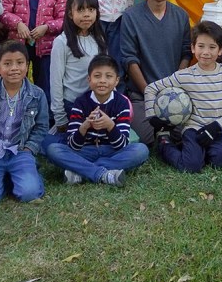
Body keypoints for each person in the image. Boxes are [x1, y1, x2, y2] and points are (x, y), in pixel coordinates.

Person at [146, 20, 222, 173]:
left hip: (217, 129)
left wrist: (216, 126)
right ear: (193, 48)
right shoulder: (184, 75)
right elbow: (151, 88)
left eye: (212, 47)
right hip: (193, 130)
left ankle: (200, 152)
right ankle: (165, 143)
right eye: (201, 46)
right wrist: (152, 116)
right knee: (191, 166)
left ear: (220, 50)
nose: (206, 52)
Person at [117, 0, 191, 146]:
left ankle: (166, 132)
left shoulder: (180, 15)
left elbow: (186, 53)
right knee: (147, 137)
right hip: (142, 95)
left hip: (175, 92)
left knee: (186, 132)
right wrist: (149, 92)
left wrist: (174, 87)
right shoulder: (131, 16)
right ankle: (161, 132)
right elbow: (129, 59)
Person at [44, 54, 149, 185]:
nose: (102, 81)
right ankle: (103, 174)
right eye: (97, 76)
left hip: (111, 151)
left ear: (116, 81)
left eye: (108, 76)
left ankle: (82, 171)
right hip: (85, 150)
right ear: (89, 79)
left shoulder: (121, 103)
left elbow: (121, 144)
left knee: (141, 150)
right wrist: (85, 126)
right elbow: (72, 144)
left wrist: (110, 125)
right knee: (53, 149)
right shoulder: (81, 103)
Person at [0, 40, 47, 206]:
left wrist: (29, 149)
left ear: (27, 66)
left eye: (20, 63)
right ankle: (3, 179)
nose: (14, 68)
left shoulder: (37, 94)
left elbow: (41, 126)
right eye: (7, 63)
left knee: (29, 194)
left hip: (20, 151)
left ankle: (28, 173)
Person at [1, 0, 65, 103]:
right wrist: (18, 24)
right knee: (16, 79)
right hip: (18, 43)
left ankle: (46, 116)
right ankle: (15, 109)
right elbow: (3, 11)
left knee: (44, 82)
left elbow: (63, 19)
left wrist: (47, 27)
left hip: (45, 46)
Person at [48, 0, 108, 131]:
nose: (86, 14)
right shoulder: (62, 42)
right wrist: (60, 115)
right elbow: (56, 81)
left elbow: (107, 71)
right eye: (80, 10)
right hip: (72, 104)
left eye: (91, 9)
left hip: (96, 102)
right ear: (70, 14)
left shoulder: (100, 40)